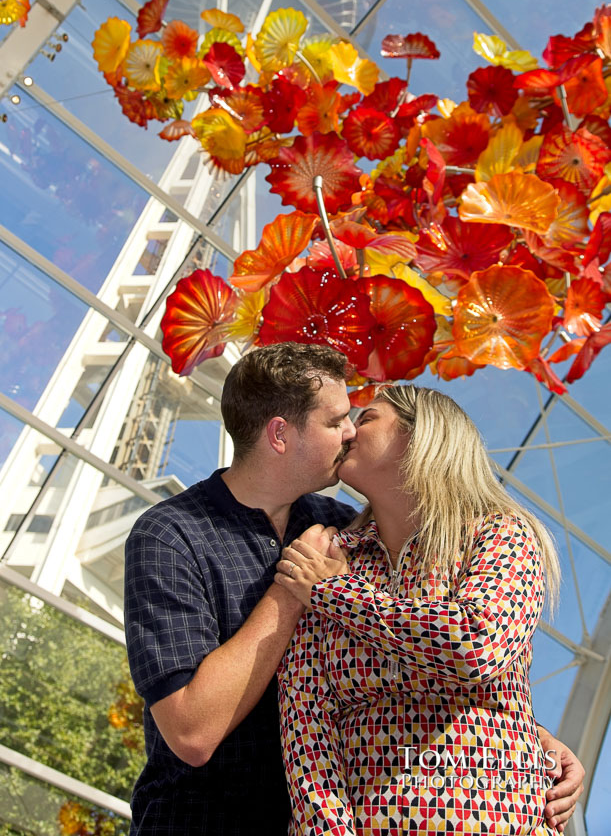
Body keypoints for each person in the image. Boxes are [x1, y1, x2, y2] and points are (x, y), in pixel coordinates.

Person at [124, 343, 584, 835]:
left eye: (360, 419)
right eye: (338, 420)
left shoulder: (348, 536)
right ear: (280, 434)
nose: (348, 433)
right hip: (204, 821)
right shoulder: (172, 536)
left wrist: (525, 735)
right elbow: (199, 731)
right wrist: (296, 589)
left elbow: (450, 651)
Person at [276, 384, 574, 835]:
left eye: (368, 418)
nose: (350, 430)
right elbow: (305, 717)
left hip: (498, 820)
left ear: (420, 436)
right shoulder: (329, 556)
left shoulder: (501, 535)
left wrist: (337, 593)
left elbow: (475, 645)